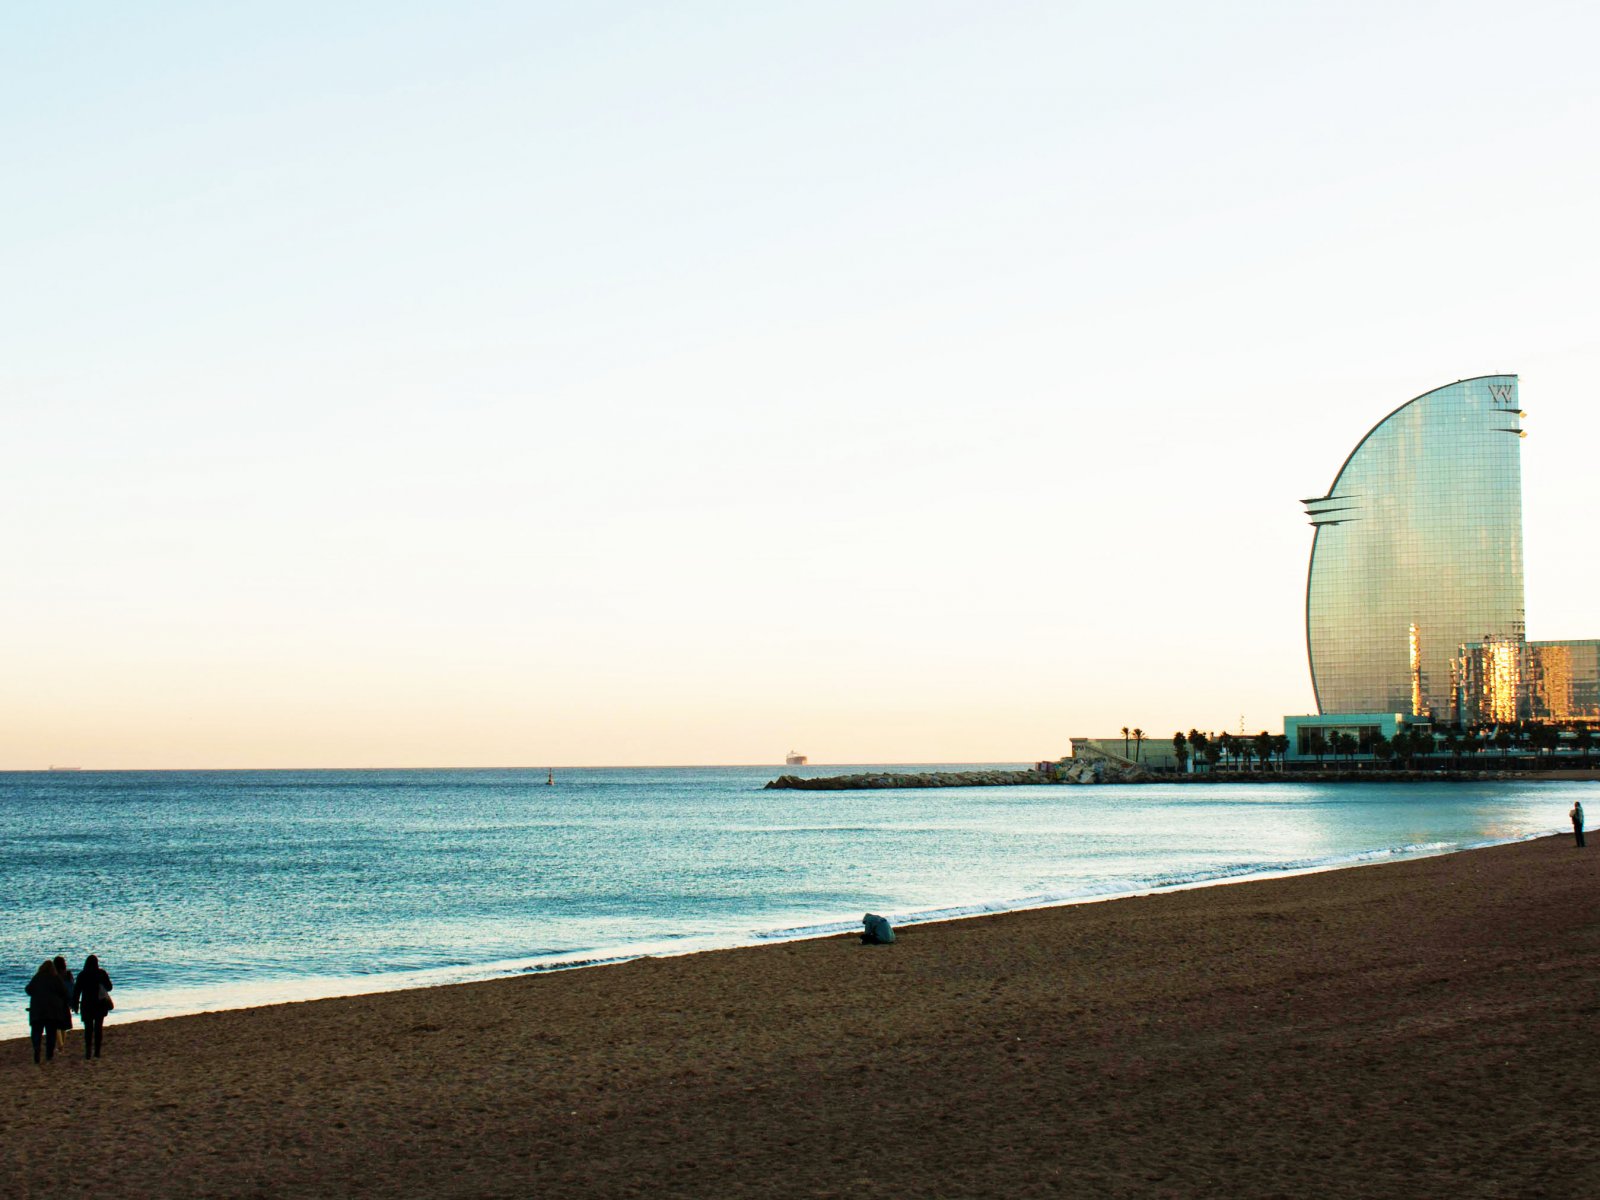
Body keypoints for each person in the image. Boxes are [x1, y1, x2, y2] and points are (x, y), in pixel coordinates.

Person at [25, 961, 70, 1065]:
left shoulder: (37, 977)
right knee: (51, 1034)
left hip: (37, 1010)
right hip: (52, 1011)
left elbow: (28, 990)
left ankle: (37, 1050)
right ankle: (49, 1055)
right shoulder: (55, 978)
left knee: (36, 1032)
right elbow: (64, 992)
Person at [72, 954, 113, 1060]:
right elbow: (109, 987)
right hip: (100, 1004)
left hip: (87, 1004)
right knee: (98, 1028)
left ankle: (88, 1051)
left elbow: (77, 991)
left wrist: (75, 1005)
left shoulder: (82, 975)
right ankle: (97, 1052)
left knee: (88, 1029)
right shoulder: (101, 973)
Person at [53, 956, 74, 1051]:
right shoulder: (68, 974)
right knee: (64, 1025)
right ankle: (62, 1044)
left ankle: (60, 1044)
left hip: (56, 1001)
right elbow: (72, 987)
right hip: (66, 1000)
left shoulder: (54, 975)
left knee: (56, 1024)